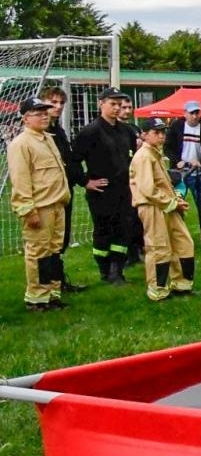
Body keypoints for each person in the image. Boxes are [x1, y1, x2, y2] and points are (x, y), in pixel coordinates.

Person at [72, 86, 140, 285]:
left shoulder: (126, 130)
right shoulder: (90, 132)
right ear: (101, 104)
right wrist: (85, 182)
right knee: (103, 230)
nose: (117, 108)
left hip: (123, 189)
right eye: (113, 104)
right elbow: (73, 160)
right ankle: (104, 270)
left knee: (124, 228)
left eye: (120, 104)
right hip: (101, 192)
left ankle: (117, 270)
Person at [9, 97, 71, 310]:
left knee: (53, 252)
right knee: (38, 253)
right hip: (40, 208)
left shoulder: (48, 138)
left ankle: (52, 293)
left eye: (46, 112)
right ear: (26, 119)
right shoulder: (21, 144)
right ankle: (36, 297)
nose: (45, 116)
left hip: (57, 205)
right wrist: (28, 210)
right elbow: (21, 179)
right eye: (38, 113)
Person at [131, 117, 196, 301]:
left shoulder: (156, 154)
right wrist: (172, 202)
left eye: (162, 132)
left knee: (183, 242)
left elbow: (163, 183)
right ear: (144, 135)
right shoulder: (144, 156)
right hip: (153, 207)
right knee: (159, 248)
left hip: (167, 205)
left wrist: (176, 199)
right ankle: (158, 290)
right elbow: (147, 188)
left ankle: (182, 284)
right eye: (156, 133)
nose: (161, 136)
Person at [40, 86, 87, 291]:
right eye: (53, 103)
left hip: (64, 193)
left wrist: (84, 181)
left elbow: (69, 160)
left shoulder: (58, 130)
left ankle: (57, 283)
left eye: (61, 103)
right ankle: (44, 288)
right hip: (47, 197)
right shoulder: (38, 134)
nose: (58, 107)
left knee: (61, 239)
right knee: (45, 243)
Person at [164, 100, 201, 243]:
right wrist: (177, 160)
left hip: (199, 173)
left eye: (197, 113)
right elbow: (167, 147)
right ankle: (177, 234)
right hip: (179, 174)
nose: (194, 116)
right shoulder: (176, 126)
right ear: (185, 113)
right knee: (176, 205)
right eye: (191, 113)